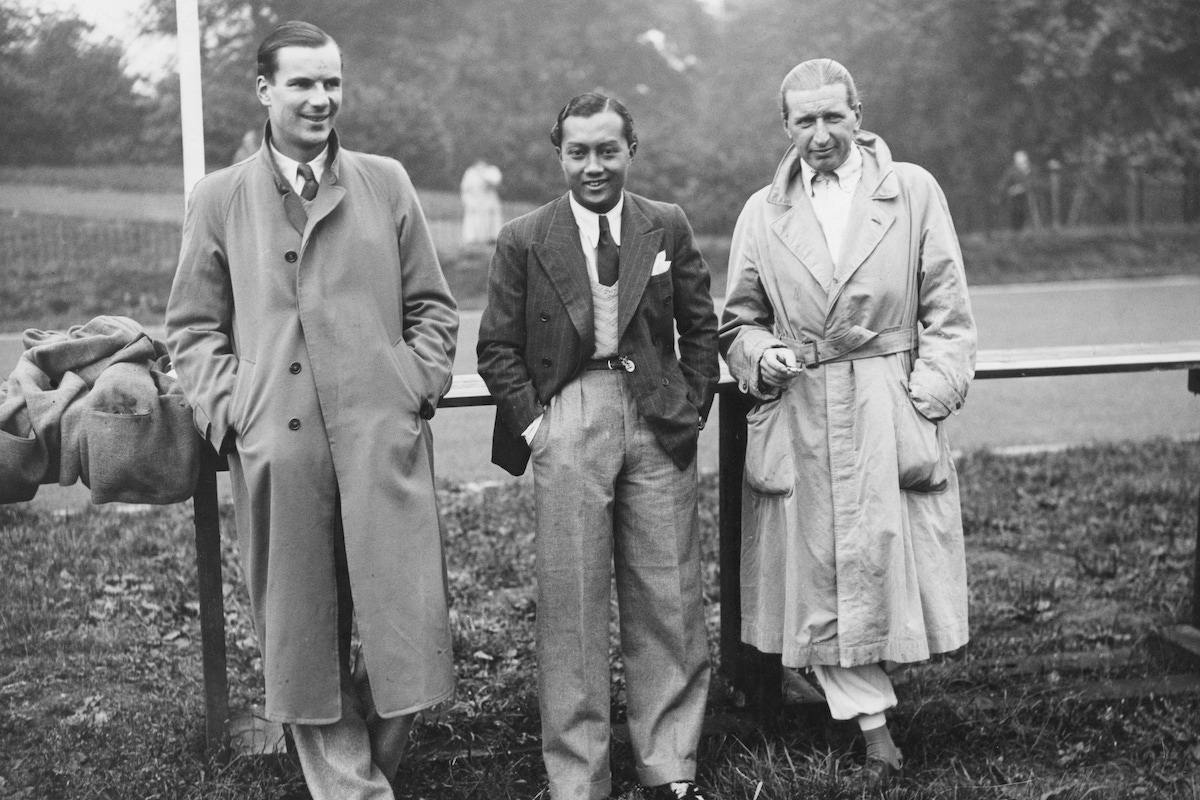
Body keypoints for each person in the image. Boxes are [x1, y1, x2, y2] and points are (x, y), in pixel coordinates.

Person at [165, 21, 458, 800]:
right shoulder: (219, 197)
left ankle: (372, 769)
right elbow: (193, 328)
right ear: (264, 90)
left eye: (331, 82)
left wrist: (410, 384)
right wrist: (236, 412)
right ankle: (352, 789)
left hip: (379, 437)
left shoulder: (386, 181)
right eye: (302, 82)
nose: (320, 98)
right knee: (300, 628)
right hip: (280, 447)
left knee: (407, 618)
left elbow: (433, 306)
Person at [720, 58, 977, 788]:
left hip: (884, 402)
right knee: (823, 569)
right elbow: (738, 321)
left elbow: (949, 312)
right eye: (806, 120)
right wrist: (762, 356)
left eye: (835, 116)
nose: (822, 134)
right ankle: (875, 731)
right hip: (801, 409)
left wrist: (924, 394)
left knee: (879, 561)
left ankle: (868, 706)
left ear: (859, 115)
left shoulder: (913, 192)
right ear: (787, 127)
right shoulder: (761, 212)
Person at [477, 93, 720, 800]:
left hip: (656, 412)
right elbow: (496, 346)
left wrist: (692, 406)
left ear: (631, 149)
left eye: (607, 150)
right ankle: (578, 778)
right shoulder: (526, 237)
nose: (593, 166)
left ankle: (671, 766)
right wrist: (537, 428)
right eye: (578, 152)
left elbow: (701, 328)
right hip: (570, 412)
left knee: (668, 595)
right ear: (559, 153)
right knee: (572, 601)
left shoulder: (664, 224)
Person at [460, 158, 504, 245]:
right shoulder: (470, 172)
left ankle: (491, 239)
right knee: (473, 221)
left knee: (491, 220)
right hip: (474, 201)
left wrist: (484, 175)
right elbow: (465, 188)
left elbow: (496, 182)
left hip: (490, 200)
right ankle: (472, 240)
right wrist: (467, 200)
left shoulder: (492, 170)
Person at [997, 149, 1040, 230]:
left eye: (1024, 162)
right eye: (1019, 163)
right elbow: (1002, 187)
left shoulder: (1034, 171)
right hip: (1016, 205)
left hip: (1033, 204)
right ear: (1016, 163)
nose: (1023, 165)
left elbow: (1038, 183)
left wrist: (1023, 187)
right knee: (1017, 225)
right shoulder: (1010, 173)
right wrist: (1012, 190)